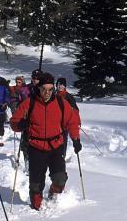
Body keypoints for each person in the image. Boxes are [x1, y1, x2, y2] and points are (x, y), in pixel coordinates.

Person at [9, 72, 81, 211]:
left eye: (50, 89)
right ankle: (36, 207)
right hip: (36, 147)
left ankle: (54, 194)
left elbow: (72, 122)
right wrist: (20, 125)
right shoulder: (29, 103)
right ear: (38, 88)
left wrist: (76, 139)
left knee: (60, 179)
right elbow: (14, 122)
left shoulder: (61, 103)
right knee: (36, 183)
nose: (47, 93)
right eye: (44, 89)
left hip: (56, 146)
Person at [55, 77, 79, 159]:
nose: (59, 86)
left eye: (61, 85)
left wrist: (77, 122)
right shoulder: (52, 95)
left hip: (65, 124)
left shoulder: (69, 97)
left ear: (65, 86)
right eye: (58, 84)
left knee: (63, 140)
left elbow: (75, 111)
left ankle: (62, 156)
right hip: (54, 123)